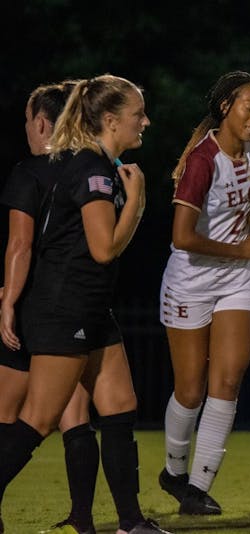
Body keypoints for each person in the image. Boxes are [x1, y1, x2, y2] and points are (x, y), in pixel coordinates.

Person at [0, 74, 170, 534]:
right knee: (37, 420)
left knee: (119, 405)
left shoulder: (100, 163)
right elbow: (103, 248)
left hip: (91, 309)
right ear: (111, 120)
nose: (146, 122)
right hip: (65, 308)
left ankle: (131, 523)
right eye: (138, 114)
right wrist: (136, 200)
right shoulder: (93, 169)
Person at [157, 71, 250, 516]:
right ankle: (173, 471)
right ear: (226, 106)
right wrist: (241, 247)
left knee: (227, 381)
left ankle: (197, 487)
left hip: (239, 278)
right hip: (191, 278)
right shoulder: (202, 159)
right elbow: (182, 235)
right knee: (190, 390)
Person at [0, 80, 105, 534]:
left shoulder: (28, 172)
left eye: (27, 119)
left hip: (35, 308)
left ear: (42, 121)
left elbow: (20, 246)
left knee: (10, 414)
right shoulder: (85, 170)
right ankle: (82, 519)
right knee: (76, 415)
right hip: (76, 306)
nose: (26, 127)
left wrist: (8, 302)